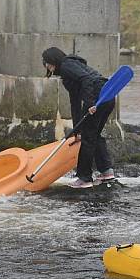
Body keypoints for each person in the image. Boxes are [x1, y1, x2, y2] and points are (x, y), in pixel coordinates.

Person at [42, 47, 116, 188]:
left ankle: (85, 178)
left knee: (88, 138)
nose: (46, 66)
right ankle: (107, 171)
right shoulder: (68, 73)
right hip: (106, 97)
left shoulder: (66, 65)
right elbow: (74, 102)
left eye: (46, 62)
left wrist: (89, 103)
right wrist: (77, 129)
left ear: (52, 60)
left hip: (99, 96)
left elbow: (87, 79)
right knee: (93, 135)